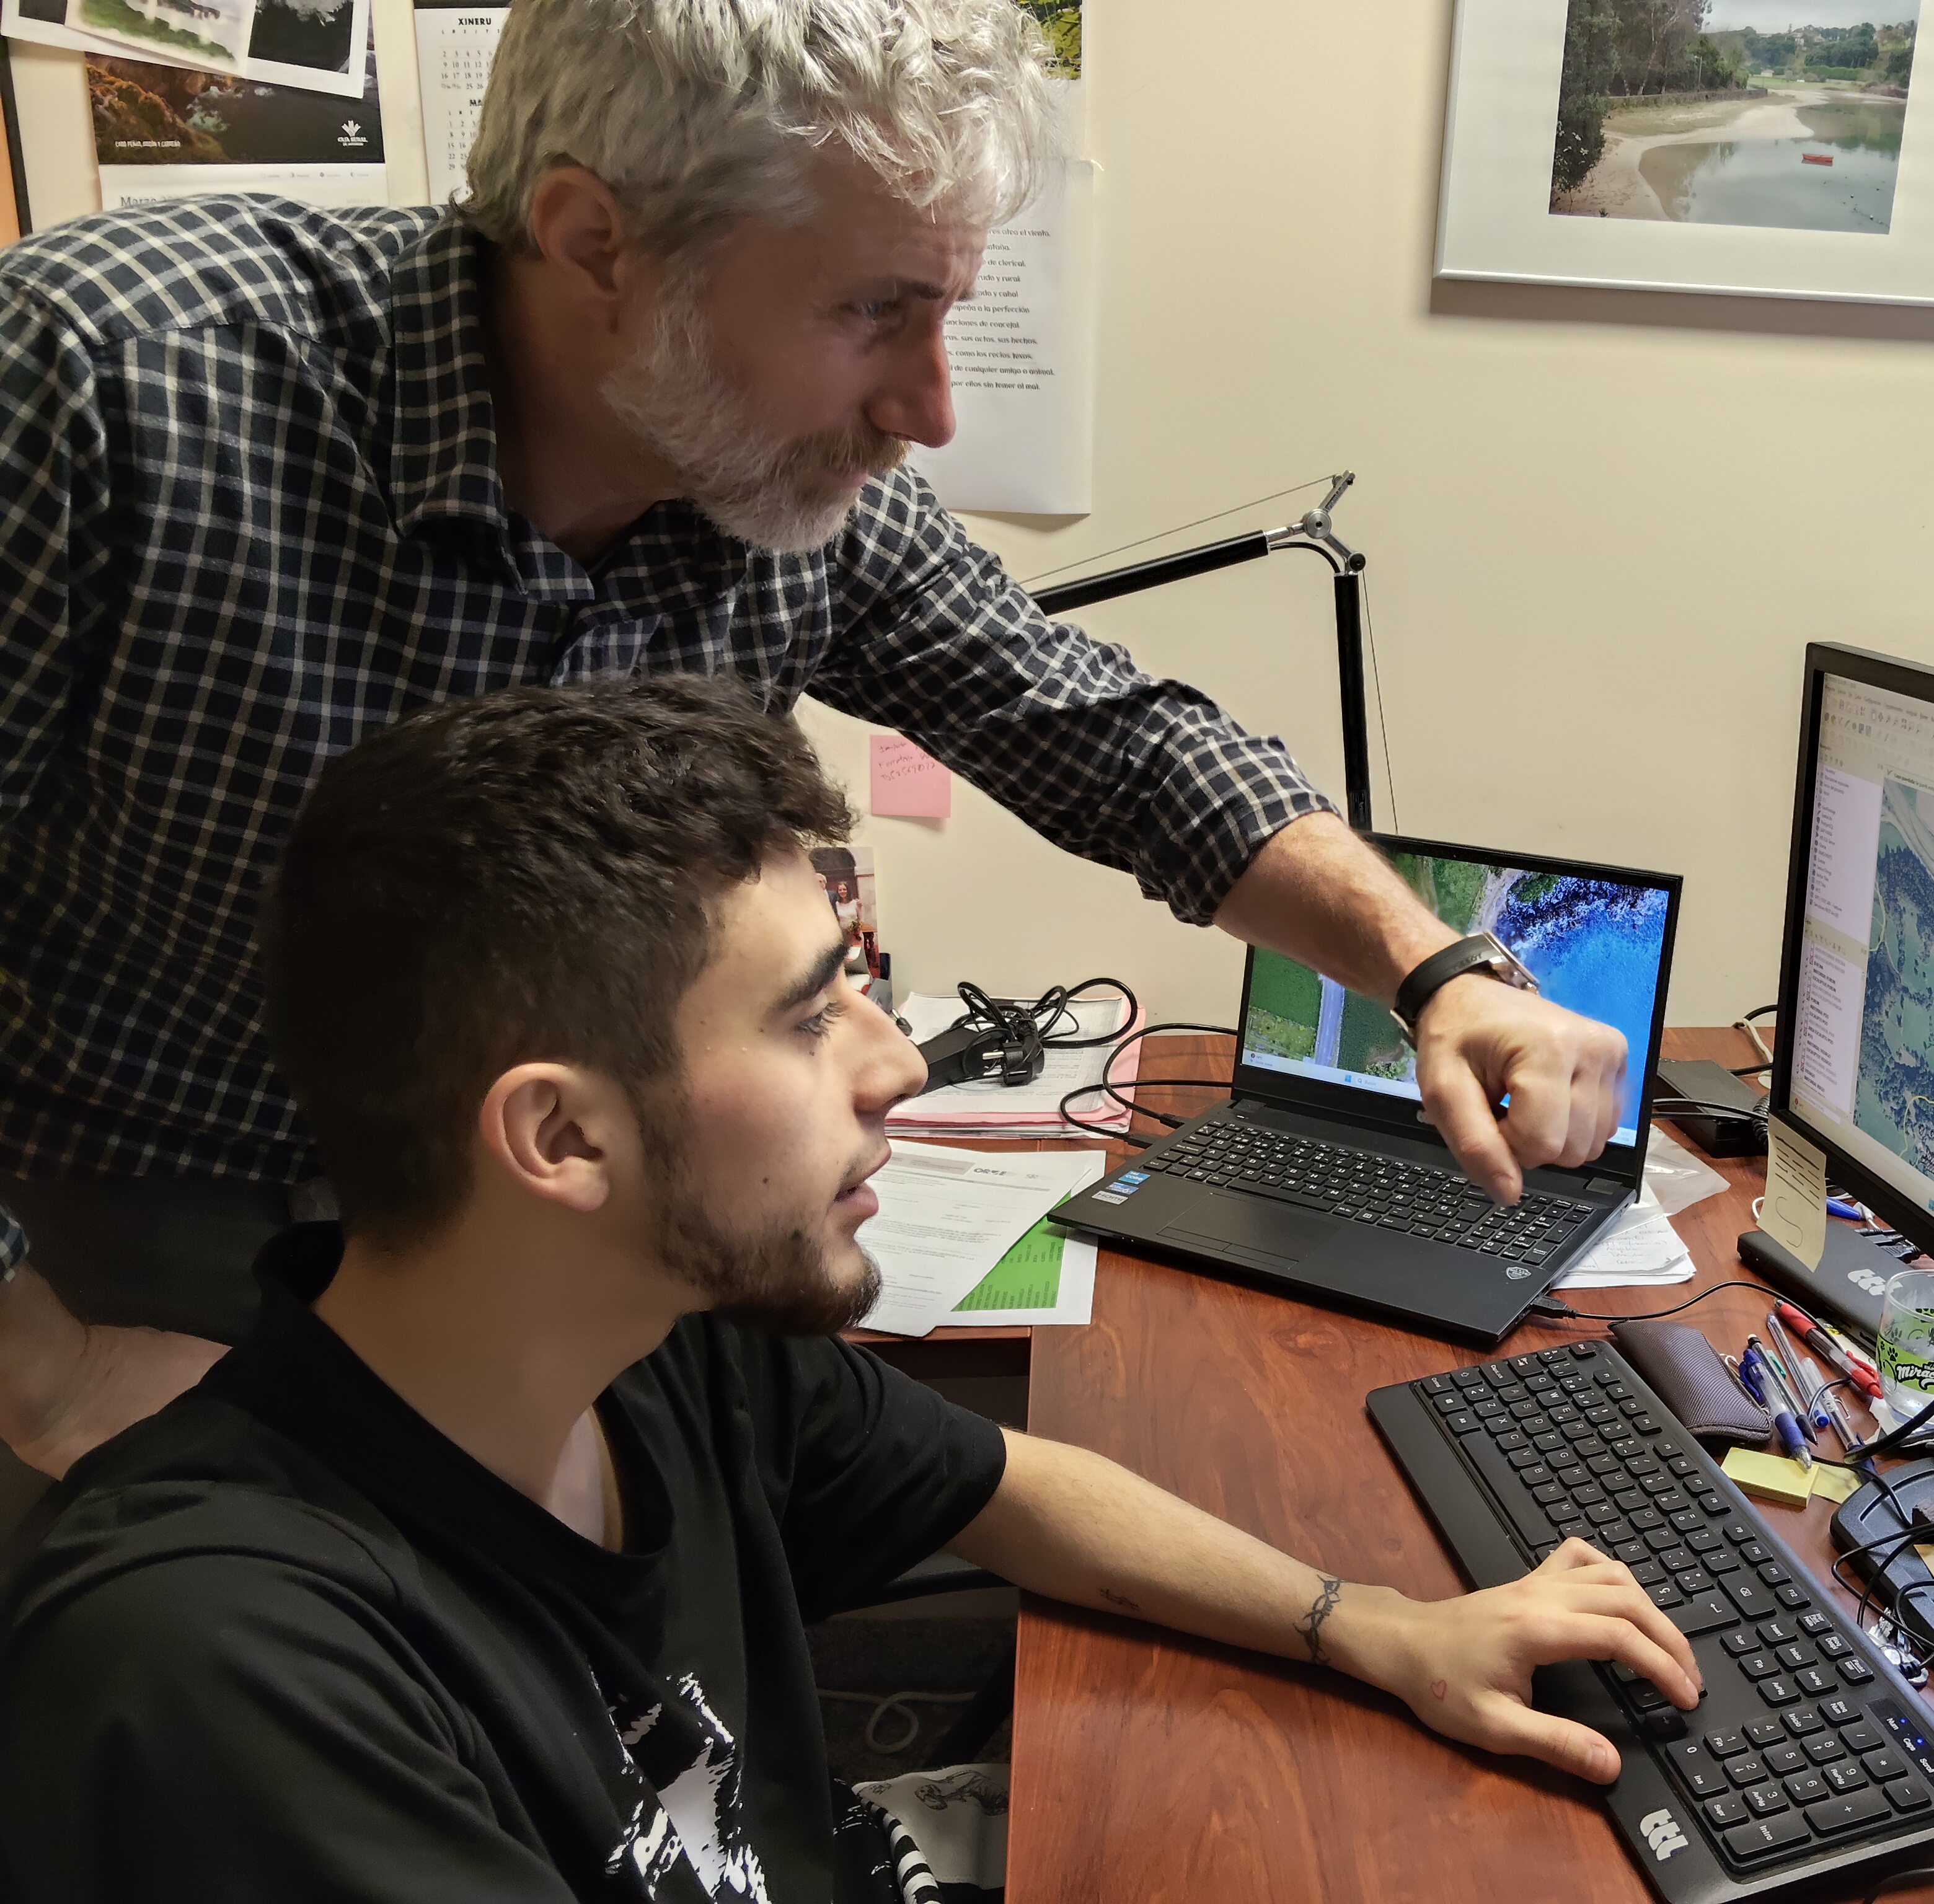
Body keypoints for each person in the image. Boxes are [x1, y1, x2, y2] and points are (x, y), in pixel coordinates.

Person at [0, 0, 1628, 1487]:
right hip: (144, 1230)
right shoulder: (109, 379)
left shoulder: (773, 493)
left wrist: (1440, 972)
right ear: (595, 242)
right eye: (875, 311)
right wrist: (42, 1361)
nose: (930, 406)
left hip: (570, 1245)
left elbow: (1101, 733)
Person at [0, 679, 1702, 1902]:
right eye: (816, 1016)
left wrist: (1380, 1628)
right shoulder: (222, 1667)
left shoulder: (658, 1350)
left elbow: (1015, 1487)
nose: (898, 1067)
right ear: (562, 1138)